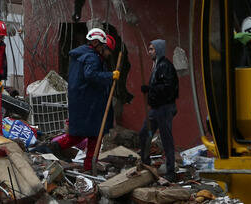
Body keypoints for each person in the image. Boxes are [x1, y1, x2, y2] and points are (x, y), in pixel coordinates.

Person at [38, 28, 119, 169]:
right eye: (107, 50)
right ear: (97, 44)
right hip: (89, 104)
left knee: (79, 135)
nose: (108, 55)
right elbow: (91, 75)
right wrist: (110, 76)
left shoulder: (82, 55)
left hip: (82, 102)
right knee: (93, 135)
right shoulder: (92, 57)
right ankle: (88, 165)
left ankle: (52, 148)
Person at [139, 38, 179, 180]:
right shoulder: (156, 65)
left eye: (152, 49)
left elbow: (168, 87)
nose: (149, 52)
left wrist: (150, 89)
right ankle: (145, 162)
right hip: (155, 108)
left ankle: (170, 172)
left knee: (166, 139)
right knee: (144, 133)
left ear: (159, 50)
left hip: (165, 108)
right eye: (149, 49)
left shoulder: (165, 66)